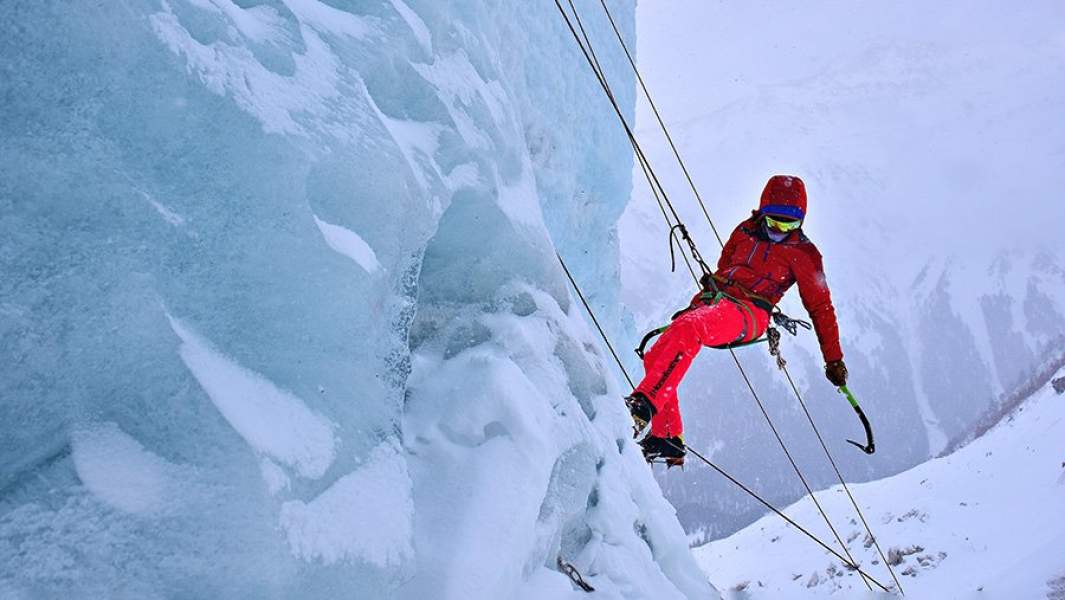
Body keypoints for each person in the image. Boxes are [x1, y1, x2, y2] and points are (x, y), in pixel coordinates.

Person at [626, 175, 848, 465]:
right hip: (717, 301)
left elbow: (820, 307)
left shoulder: (805, 255)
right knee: (657, 353)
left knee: (691, 328)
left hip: (751, 312)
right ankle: (668, 437)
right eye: (774, 222)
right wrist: (702, 303)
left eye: (789, 225)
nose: (780, 230)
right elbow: (725, 268)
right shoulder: (744, 230)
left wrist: (834, 359)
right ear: (762, 212)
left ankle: (643, 407)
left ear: (801, 222)